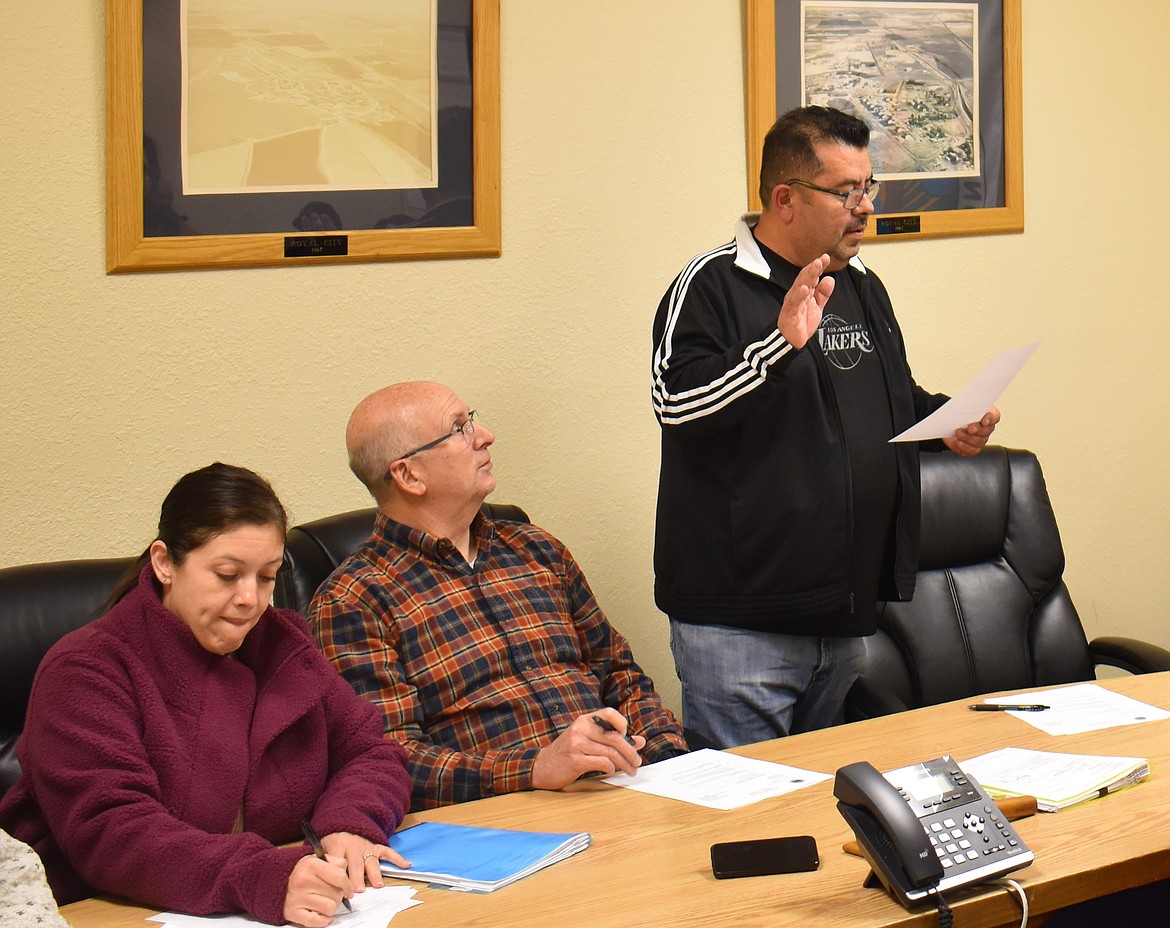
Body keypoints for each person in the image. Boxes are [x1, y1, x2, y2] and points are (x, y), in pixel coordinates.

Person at [650, 105, 1000, 749]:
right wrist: (778, 347)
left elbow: (889, 399)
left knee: (821, 809)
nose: (864, 207)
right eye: (846, 192)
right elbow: (677, 408)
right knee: (753, 829)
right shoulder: (710, 286)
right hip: (742, 628)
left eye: (868, 188)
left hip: (845, 616)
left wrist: (947, 421)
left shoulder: (860, 285)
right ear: (786, 198)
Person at [0, 464, 413, 928]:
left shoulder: (283, 643)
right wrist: (260, 876)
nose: (250, 599)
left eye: (266, 577)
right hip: (110, 912)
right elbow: (112, 832)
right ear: (164, 563)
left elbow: (372, 752)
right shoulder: (86, 669)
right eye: (227, 574)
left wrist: (348, 824)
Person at [308, 382, 687, 810]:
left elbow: (620, 675)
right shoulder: (353, 600)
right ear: (409, 475)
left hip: (626, 791)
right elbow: (389, 761)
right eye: (459, 428)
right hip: (503, 822)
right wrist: (536, 768)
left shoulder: (537, 549)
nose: (485, 436)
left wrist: (668, 759)